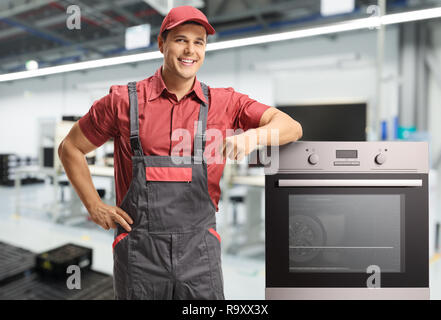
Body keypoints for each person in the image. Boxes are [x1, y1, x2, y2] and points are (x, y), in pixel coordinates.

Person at [58, 5, 302, 300]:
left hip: (199, 253)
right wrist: (94, 205)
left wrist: (255, 137)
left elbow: (290, 126)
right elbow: (70, 147)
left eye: (199, 42)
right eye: (180, 39)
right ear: (161, 44)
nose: (190, 50)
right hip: (140, 253)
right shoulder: (122, 102)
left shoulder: (225, 103)